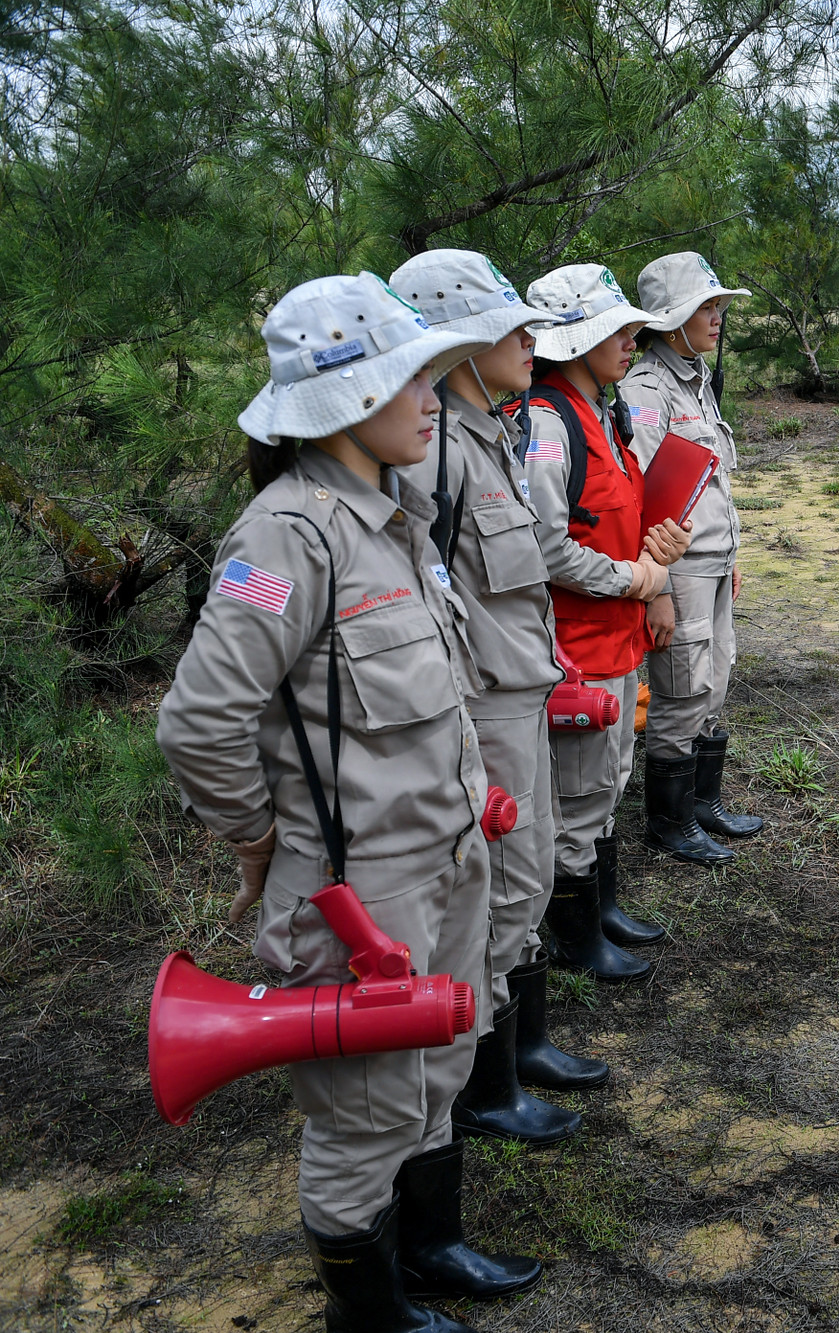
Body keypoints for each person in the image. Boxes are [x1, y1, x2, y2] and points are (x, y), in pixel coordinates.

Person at [156, 273, 538, 1332]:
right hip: (359, 893)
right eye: (408, 376)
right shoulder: (289, 537)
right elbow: (198, 720)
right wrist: (256, 837)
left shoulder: (394, 516)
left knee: (439, 1068)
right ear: (338, 404)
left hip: (444, 860)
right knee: (363, 1115)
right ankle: (367, 1315)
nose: (431, 394)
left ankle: (431, 1247)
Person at [387, 251, 687, 1147]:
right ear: (461, 346)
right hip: (485, 702)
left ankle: (518, 1051)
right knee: (504, 888)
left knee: (528, 874)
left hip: (526, 683)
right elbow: (439, 594)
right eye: (509, 328)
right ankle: (486, 1079)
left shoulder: (500, 430)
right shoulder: (439, 451)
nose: (530, 341)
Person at [519, 263, 679, 981]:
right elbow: (549, 547)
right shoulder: (550, 424)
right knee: (579, 795)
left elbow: (611, 514)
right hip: (579, 647)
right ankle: (576, 941)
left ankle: (600, 910)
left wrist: (655, 556)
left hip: (618, 639)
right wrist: (634, 578)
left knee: (609, 782)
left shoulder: (606, 412)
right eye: (615, 328)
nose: (632, 336)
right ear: (575, 342)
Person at [622, 252, 762, 865]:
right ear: (669, 319)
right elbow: (640, 501)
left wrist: (728, 552)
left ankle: (703, 804)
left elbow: (706, 482)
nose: (718, 317)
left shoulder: (698, 381)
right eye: (706, 307)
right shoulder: (645, 392)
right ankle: (669, 821)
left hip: (713, 563)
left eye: (718, 306)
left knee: (717, 677)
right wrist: (655, 588)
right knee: (682, 688)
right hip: (677, 569)